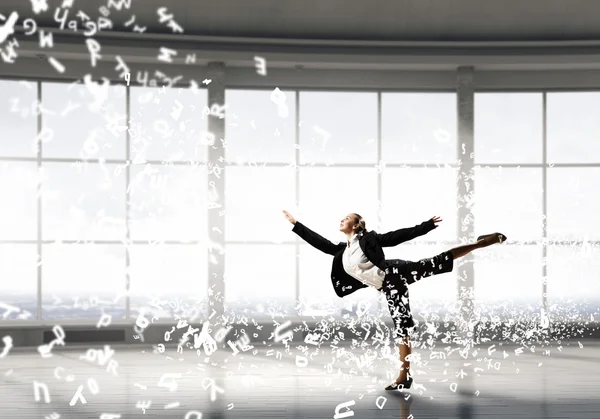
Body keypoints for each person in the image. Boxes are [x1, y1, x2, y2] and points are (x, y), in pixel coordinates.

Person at [282, 209, 506, 390]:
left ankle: (479, 244)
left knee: (428, 275)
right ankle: (405, 377)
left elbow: (397, 237)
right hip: (387, 286)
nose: (342, 219)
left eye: (347, 218)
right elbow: (320, 243)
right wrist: (296, 224)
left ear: (357, 225)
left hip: (395, 274)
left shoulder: (368, 239)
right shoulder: (342, 250)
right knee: (404, 324)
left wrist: (425, 226)